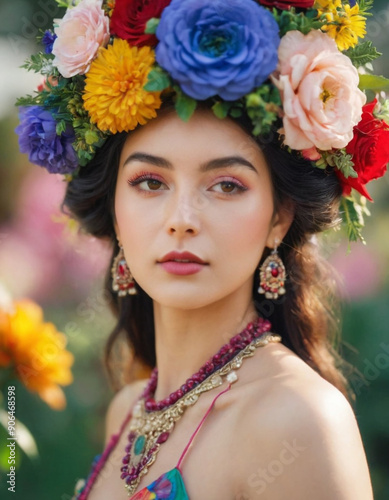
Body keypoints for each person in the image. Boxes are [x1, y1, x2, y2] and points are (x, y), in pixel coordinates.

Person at [15, 0, 389, 499]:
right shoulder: (127, 412)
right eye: (150, 182)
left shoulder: (297, 421)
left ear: (280, 217)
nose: (182, 221)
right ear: (115, 210)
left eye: (227, 185)